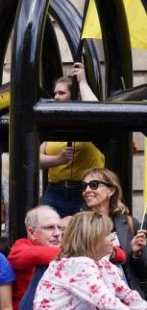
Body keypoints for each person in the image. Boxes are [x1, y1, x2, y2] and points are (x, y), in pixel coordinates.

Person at [29, 211, 147, 310]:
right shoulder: (75, 264)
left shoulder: (104, 264)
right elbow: (106, 302)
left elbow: (130, 299)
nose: (113, 237)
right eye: (107, 234)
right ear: (92, 238)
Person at [39, 64, 104, 217]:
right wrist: (57, 159)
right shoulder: (52, 122)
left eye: (61, 93)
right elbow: (33, 159)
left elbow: (98, 111)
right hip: (55, 191)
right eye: (55, 93)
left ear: (75, 95)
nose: (56, 97)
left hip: (86, 191)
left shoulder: (87, 120)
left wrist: (82, 82)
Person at [82, 167, 147, 296]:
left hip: (128, 298)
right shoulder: (79, 225)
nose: (87, 190)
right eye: (84, 186)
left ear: (111, 190)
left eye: (94, 185)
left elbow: (142, 273)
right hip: (93, 296)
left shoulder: (129, 223)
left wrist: (136, 254)